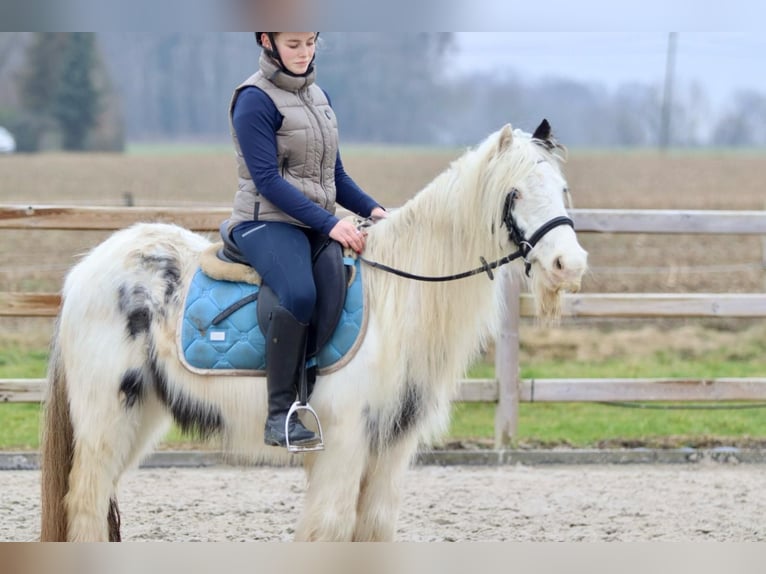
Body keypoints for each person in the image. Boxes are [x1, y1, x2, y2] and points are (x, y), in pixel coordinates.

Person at [223, 32, 388, 449]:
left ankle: (320, 390)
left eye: (310, 42)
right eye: (293, 44)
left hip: (312, 224)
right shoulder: (254, 100)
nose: (304, 52)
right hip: (265, 221)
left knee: (337, 288)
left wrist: (374, 210)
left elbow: (336, 176)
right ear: (267, 40)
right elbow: (267, 181)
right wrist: (331, 224)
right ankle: (280, 414)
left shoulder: (319, 97)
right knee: (298, 294)